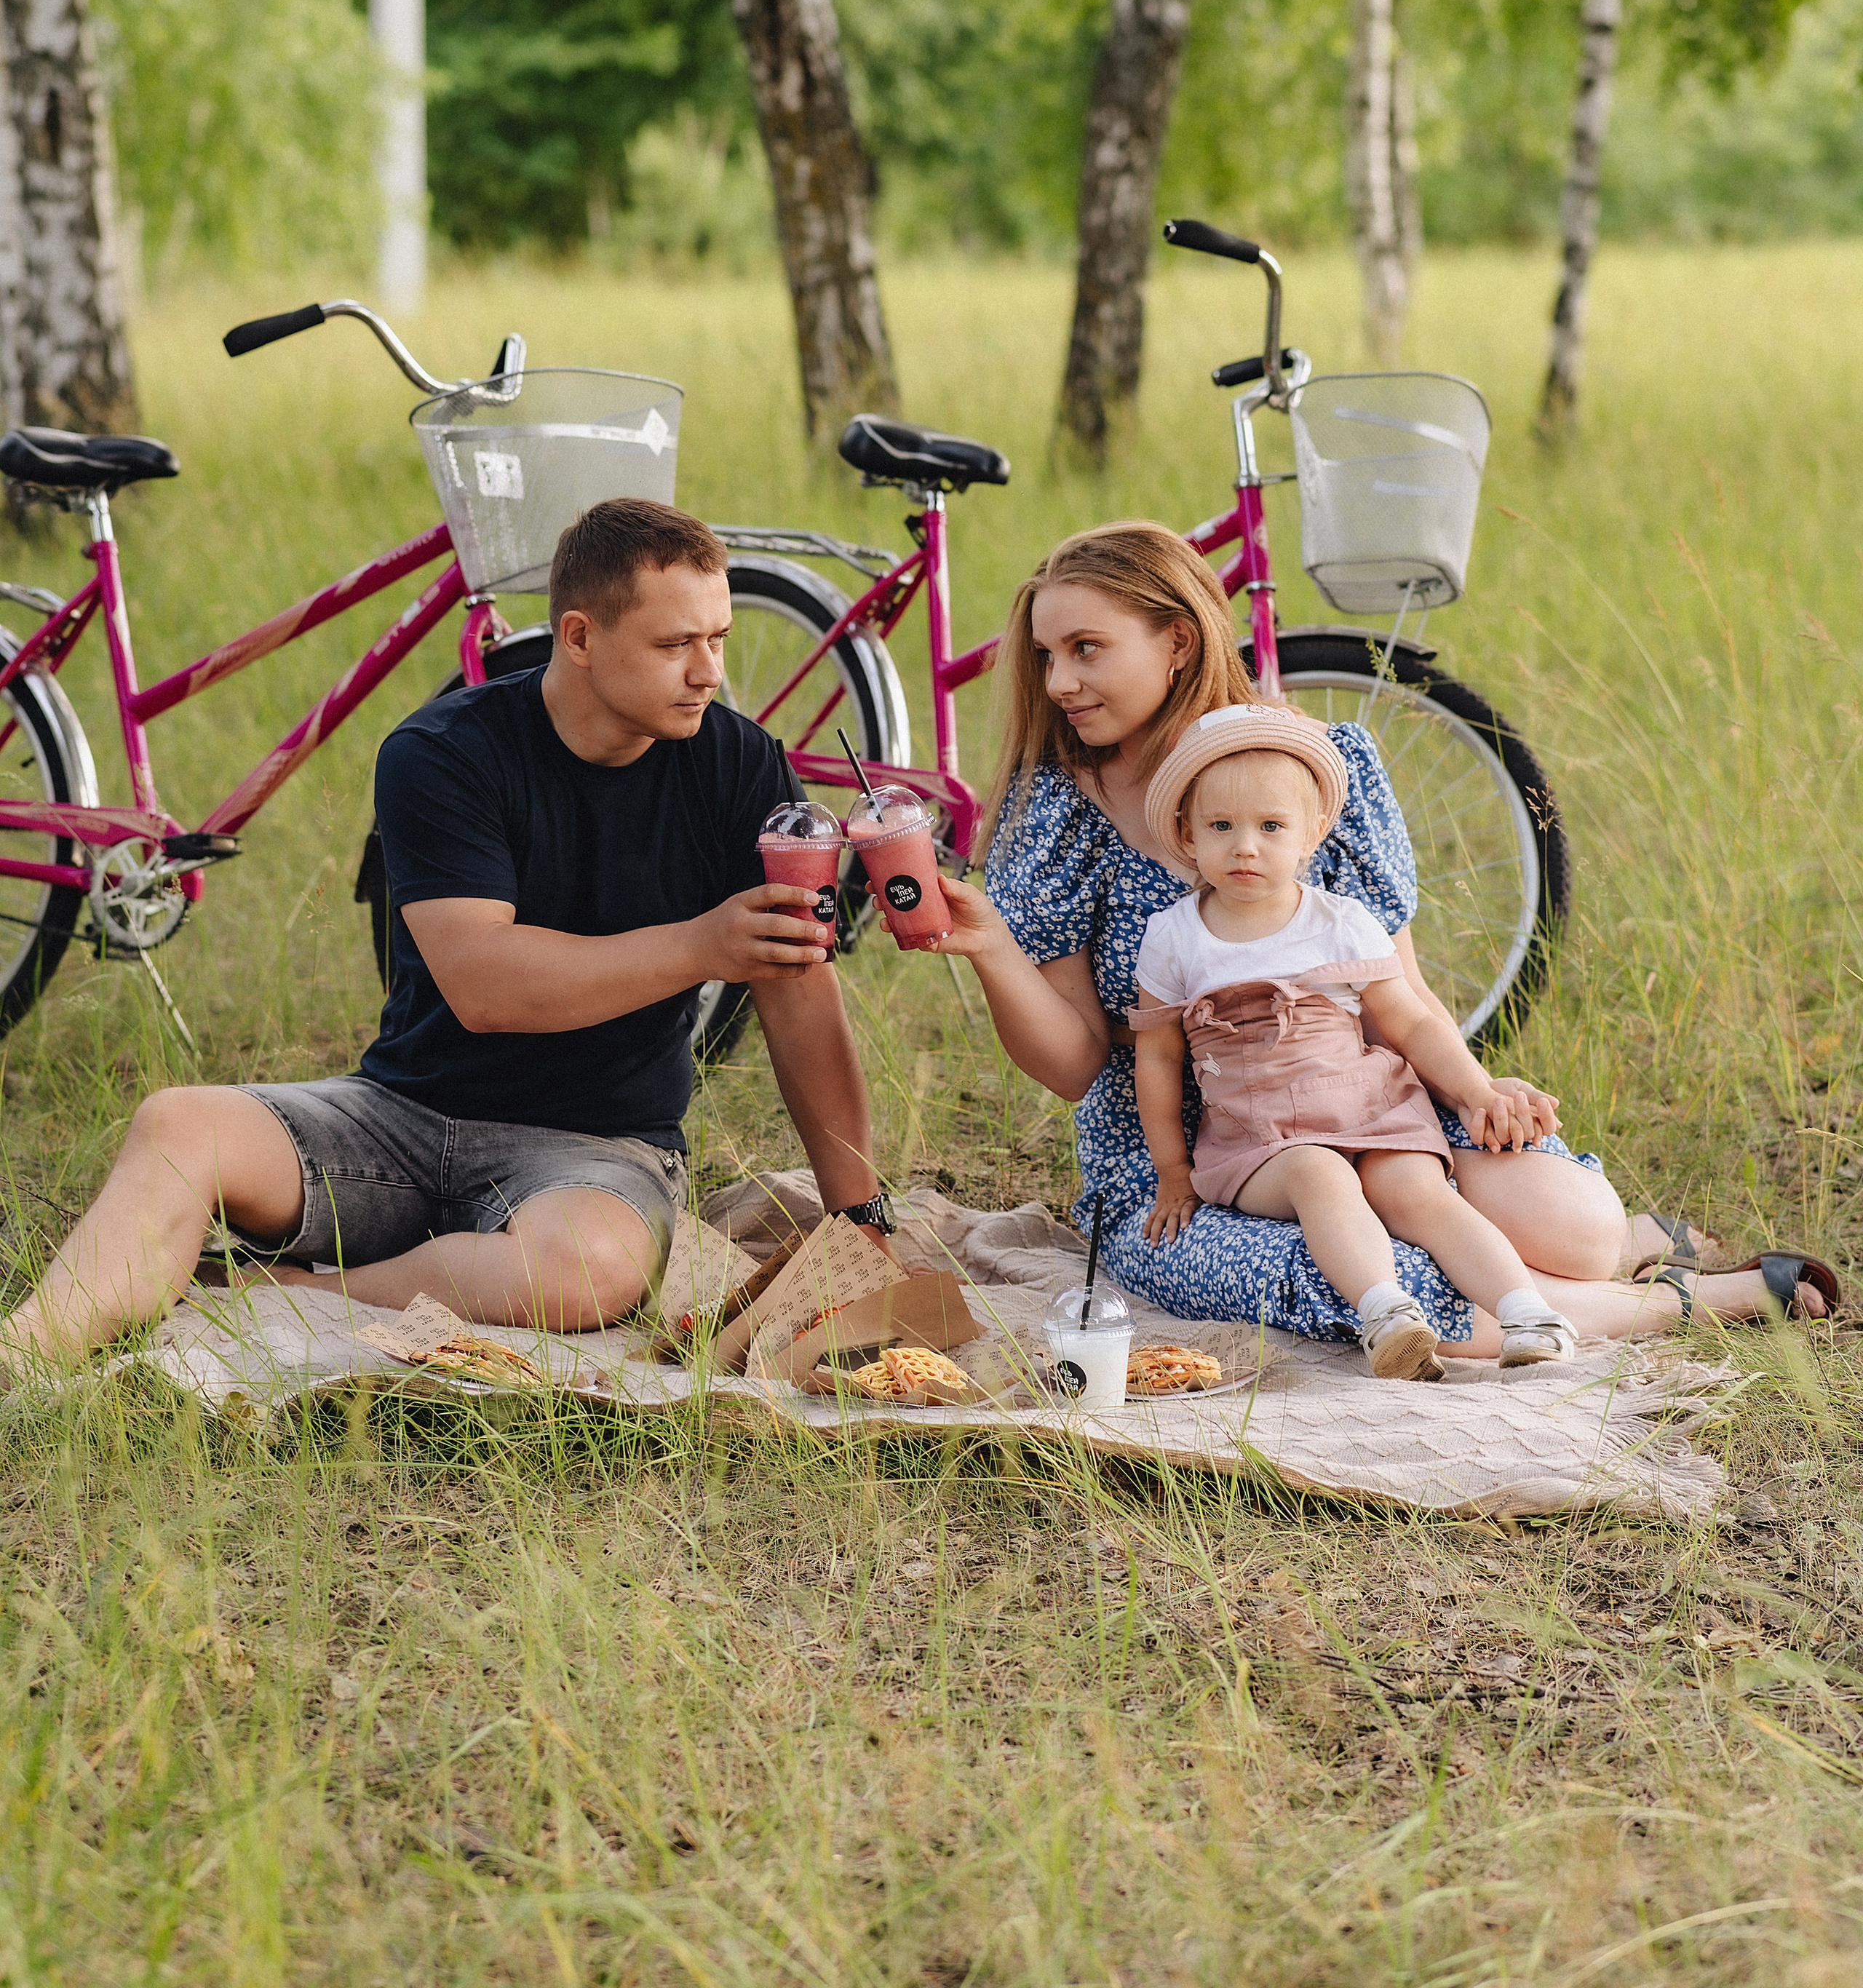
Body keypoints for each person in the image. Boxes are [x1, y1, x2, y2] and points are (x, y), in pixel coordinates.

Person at [0, 499, 888, 1370]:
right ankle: (23, 1358)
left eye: (718, 639)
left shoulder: (739, 762)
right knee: (181, 1122)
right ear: (578, 637)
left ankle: (296, 1292)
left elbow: (795, 988)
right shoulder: (442, 752)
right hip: (400, 1119)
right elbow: (486, 985)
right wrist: (701, 946)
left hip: (599, 1152)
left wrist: (860, 1221)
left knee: (591, 1272)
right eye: (674, 645)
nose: (709, 673)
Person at [938, 520, 1837, 1356]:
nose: (1058, 683)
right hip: (1184, 1160)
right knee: (1384, 1288)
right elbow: (1077, 1066)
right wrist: (990, 948)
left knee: (1577, 1226)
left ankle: (1622, 1247)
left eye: (1086, 649)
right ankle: (1693, 1301)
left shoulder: (1322, 769)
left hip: (1363, 1097)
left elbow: (1395, 997)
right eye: (1049, 655)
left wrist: (1472, 1090)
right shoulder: (1052, 811)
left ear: (1177, 642)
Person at [1132, 704, 1576, 1378]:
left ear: (1312, 834)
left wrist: (1475, 1089)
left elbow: (1411, 1021)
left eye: (1270, 827)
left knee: (1418, 1194)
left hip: (1367, 1108)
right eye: (1222, 826)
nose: (1245, 846)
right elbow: (1159, 1057)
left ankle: (1527, 1313)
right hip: (1261, 1137)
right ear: (1187, 835)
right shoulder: (1174, 937)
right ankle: (1388, 1316)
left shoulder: (1342, 922)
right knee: (1321, 1175)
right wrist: (1171, 1172)